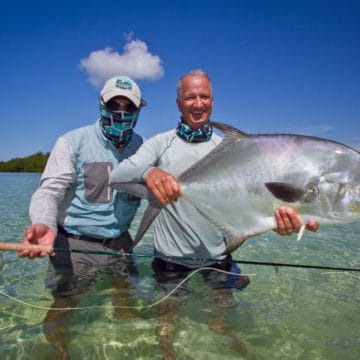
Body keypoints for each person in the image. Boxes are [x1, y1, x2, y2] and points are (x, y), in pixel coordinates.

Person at [109, 69, 319, 358]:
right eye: (190, 97)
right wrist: (149, 172)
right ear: (178, 103)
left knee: (221, 325)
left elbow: (250, 201)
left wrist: (278, 222)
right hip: (170, 258)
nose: (198, 103)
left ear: (213, 100)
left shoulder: (229, 148)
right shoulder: (160, 143)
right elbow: (118, 174)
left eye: (204, 96)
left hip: (219, 256)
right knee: (167, 324)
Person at [18, 75, 146, 358]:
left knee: (127, 297)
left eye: (129, 106)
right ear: (101, 105)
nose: (122, 112)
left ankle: (129, 346)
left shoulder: (144, 148)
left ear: (139, 111)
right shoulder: (72, 141)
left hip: (121, 243)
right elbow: (48, 192)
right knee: (65, 303)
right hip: (74, 243)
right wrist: (43, 224)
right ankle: (59, 352)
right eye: (115, 104)